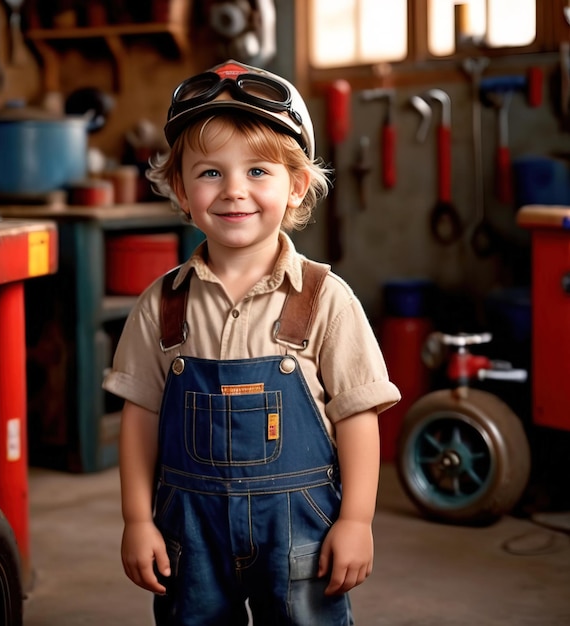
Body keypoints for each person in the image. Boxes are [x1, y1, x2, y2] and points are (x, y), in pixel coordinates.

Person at [102, 59, 400, 626]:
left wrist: (356, 521)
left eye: (259, 171)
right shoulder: (162, 304)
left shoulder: (326, 299)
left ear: (297, 187)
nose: (234, 190)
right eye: (210, 172)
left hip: (300, 531)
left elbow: (358, 416)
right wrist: (137, 520)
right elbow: (140, 418)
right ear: (181, 190)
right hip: (190, 531)